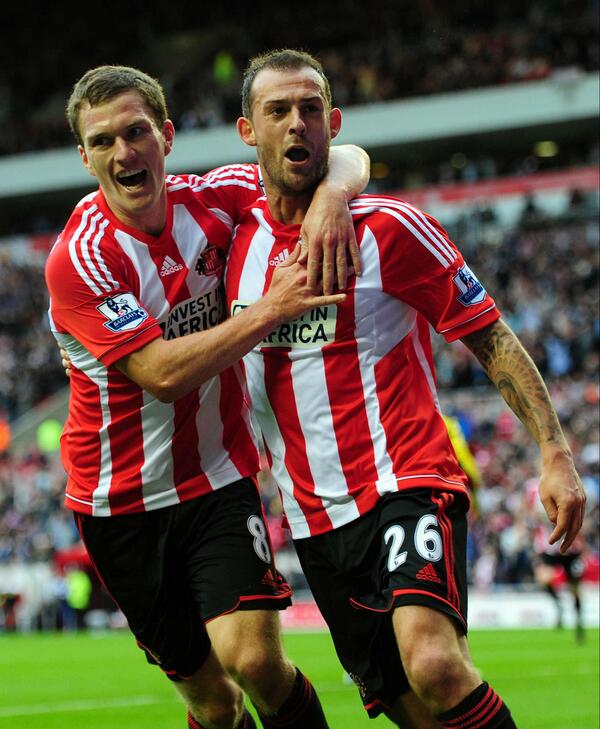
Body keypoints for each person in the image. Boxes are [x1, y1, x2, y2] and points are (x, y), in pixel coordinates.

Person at [224, 49, 587, 729]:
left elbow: (491, 336)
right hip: (314, 518)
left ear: (333, 123)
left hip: (405, 479)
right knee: (415, 711)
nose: (296, 123)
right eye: (277, 111)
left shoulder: (390, 227)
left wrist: (554, 451)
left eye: (310, 110)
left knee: (435, 664)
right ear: (247, 130)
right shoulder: (226, 236)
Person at [45, 64, 370, 729]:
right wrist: (271, 307)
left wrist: (332, 196)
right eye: (103, 141)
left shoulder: (215, 198)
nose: (123, 153)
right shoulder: (81, 258)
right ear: (84, 157)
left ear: (166, 136)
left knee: (257, 663)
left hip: (218, 479)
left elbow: (337, 157)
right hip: (120, 506)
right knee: (214, 705)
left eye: (136, 132)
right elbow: (161, 373)